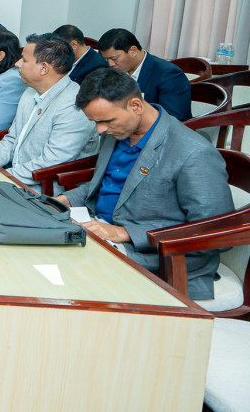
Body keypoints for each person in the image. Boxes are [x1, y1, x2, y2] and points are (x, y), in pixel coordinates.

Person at [55, 68, 233, 300]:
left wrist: (125, 233)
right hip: (99, 229)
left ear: (136, 106)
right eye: (95, 122)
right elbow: (110, 184)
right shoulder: (117, 131)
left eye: (106, 121)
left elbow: (215, 232)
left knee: (65, 281)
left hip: (158, 256)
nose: (100, 130)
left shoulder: (193, 152)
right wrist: (61, 201)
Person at [0, 34, 97, 185]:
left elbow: (51, 161)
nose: (17, 63)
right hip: (16, 174)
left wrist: (2, 177)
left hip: (47, 187)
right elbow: (12, 138)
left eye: (24, 60)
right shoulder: (30, 91)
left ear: (44, 68)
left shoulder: (73, 104)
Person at [97, 28, 191, 121]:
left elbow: (174, 119)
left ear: (133, 51)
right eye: (107, 59)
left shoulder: (168, 74)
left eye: (114, 58)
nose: (110, 64)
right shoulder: (114, 70)